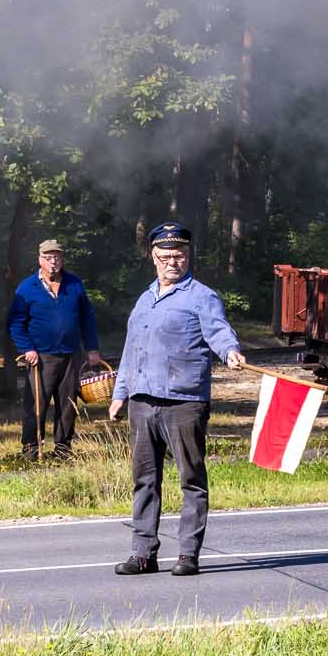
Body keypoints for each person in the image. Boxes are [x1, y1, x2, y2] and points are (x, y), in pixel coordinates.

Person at [103, 222, 247, 577]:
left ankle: (187, 554)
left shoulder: (202, 296)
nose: (173, 262)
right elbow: (131, 349)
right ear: (153, 257)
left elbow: (219, 331)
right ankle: (142, 553)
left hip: (184, 401)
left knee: (191, 478)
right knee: (144, 480)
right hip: (142, 401)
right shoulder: (144, 298)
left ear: (188, 256)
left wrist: (230, 351)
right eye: (166, 256)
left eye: (179, 255)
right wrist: (120, 393)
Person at [5, 238, 99, 459]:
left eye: (57, 256)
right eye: (48, 257)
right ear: (40, 260)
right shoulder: (27, 287)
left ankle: (63, 449)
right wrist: (27, 348)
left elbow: (88, 318)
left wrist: (92, 348)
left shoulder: (74, 284)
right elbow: (16, 322)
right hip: (41, 356)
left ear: (62, 258)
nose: (53, 261)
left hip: (71, 354)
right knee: (36, 404)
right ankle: (31, 448)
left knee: (67, 405)